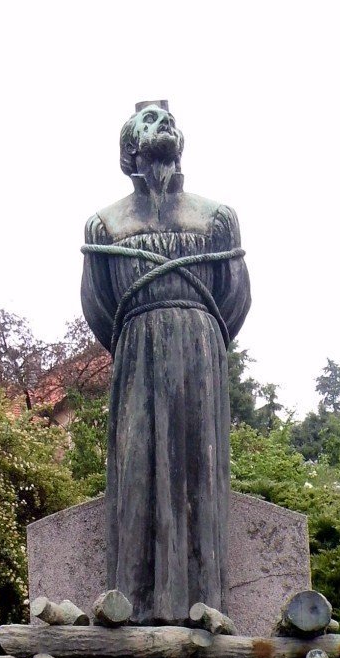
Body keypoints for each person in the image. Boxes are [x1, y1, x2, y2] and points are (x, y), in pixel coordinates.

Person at [80, 102, 251, 623]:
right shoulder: (105, 224)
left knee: (200, 472)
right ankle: (132, 612)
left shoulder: (216, 218)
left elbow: (235, 298)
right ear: (130, 148)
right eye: (151, 121)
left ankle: (205, 609)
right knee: (134, 471)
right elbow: (99, 305)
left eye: (168, 120)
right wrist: (143, 326)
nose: (165, 126)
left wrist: (195, 329)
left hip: (200, 351)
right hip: (135, 350)